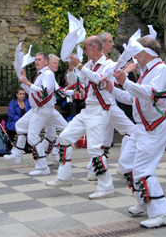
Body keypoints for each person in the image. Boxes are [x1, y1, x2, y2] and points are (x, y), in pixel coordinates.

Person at [103, 37, 166, 228]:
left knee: (143, 170)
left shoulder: (161, 70)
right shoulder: (146, 72)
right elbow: (133, 98)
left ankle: (162, 212)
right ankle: (144, 200)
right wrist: (113, 89)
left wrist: (125, 82)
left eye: (136, 52)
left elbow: (150, 93)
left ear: (146, 53)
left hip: (155, 127)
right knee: (126, 164)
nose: (134, 57)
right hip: (141, 127)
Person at [45, 35, 116, 200]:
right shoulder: (89, 65)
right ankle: (64, 177)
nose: (83, 51)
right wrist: (71, 68)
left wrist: (81, 66)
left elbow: (100, 80)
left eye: (84, 48)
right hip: (87, 110)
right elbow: (76, 83)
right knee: (64, 137)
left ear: (93, 47)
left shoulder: (108, 65)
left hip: (99, 111)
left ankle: (106, 187)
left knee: (94, 149)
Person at [86, 32, 135, 181]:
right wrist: (128, 69)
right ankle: (125, 167)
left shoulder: (101, 62)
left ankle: (94, 170)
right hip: (105, 105)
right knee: (131, 131)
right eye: (110, 41)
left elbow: (110, 76)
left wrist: (125, 69)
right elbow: (106, 79)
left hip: (106, 104)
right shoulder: (94, 64)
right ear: (101, 44)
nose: (113, 44)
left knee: (105, 140)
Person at [4, 52, 56, 176]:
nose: (36, 61)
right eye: (35, 60)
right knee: (20, 125)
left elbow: (44, 92)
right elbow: (32, 92)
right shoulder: (40, 75)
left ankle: (43, 167)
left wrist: (28, 83)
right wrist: (23, 81)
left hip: (43, 109)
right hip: (36, 108)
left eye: (39, 59)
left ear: (46, 62)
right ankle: (17, 154)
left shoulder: (48, 74)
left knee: (33, 136)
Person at [6, 88, 32, 152]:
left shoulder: (27, 102)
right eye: (20, 94)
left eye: (23, 94)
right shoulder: (12, 103)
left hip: (26, 122)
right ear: (17, 95)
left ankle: (27, 147)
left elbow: (31, 112)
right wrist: (21, 120)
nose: (22, 95)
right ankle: (18, 147)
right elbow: (11, 115)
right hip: (15, 122)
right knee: (19, 127)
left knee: (31, 127)